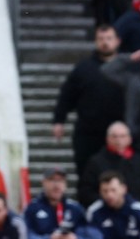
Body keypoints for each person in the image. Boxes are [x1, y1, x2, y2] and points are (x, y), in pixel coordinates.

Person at [53, 24, 127, 177]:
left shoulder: (127, 67)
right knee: (86, 174)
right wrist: (59, 120)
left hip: (118, 132)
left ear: (117, 41)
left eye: (109, 38)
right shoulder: (83, 68)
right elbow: (67, 95)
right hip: (88, 133)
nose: (105, 42)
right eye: (101, 39)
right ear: (95, 41)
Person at [79, 121, 140, 205]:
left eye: (122, 136)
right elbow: (86, 191)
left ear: (129, 139)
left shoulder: (139, 160)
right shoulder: (96, 162)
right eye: (114, 136)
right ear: (107, 139)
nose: (118, 140)